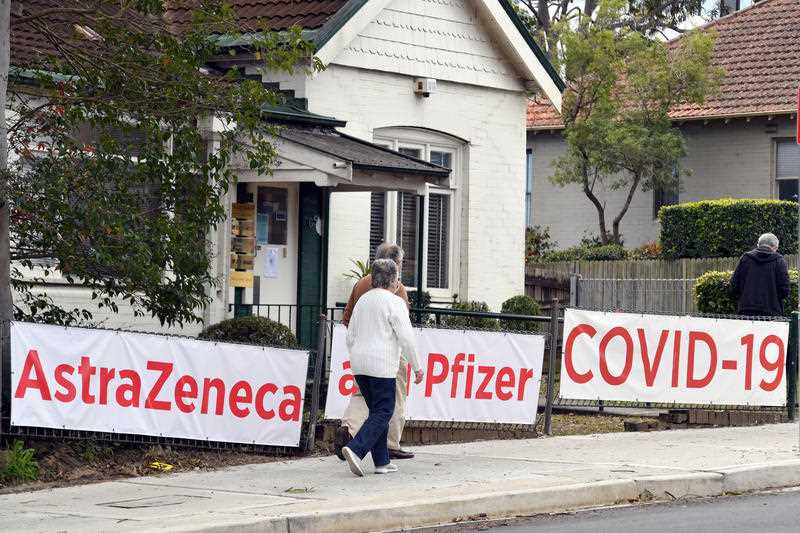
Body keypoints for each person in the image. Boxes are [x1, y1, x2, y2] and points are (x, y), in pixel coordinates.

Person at [341, 259, 423, 476]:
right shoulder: (394, 302)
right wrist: (417, 366)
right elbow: (406, 337)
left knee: (376, 412)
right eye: (398, 278)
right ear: (393, 280)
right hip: (382, 364)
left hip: (359, 364)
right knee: (384, 411)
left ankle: (382, 461)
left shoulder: (363, 301)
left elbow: (350, 336)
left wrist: (356, 354)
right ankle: (355, 448)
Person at [730, 233, 790, 317]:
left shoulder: (746, 258)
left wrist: (744, 299)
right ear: (775, 247)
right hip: (771, 312)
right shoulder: (779, 260)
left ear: (758, 245)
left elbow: (734, 285)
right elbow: (784, 290)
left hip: (746, 310)